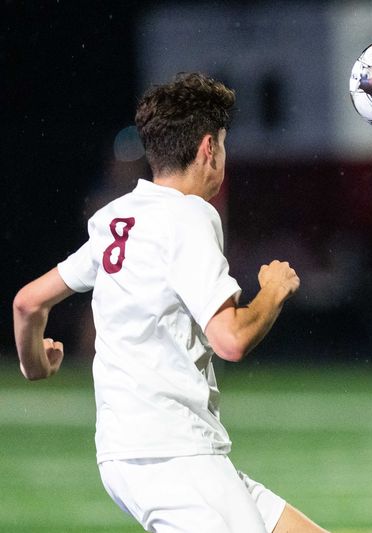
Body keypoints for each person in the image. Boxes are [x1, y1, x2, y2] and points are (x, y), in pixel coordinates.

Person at [13, 72, 328, 533]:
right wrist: (274, 292)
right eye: (223, 144)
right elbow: (232, 340)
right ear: (208, 149)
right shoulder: (189, 216)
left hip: (134, 453)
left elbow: (28, 303)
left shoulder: (118, 216)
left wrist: (35, 365)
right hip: (171, 454)